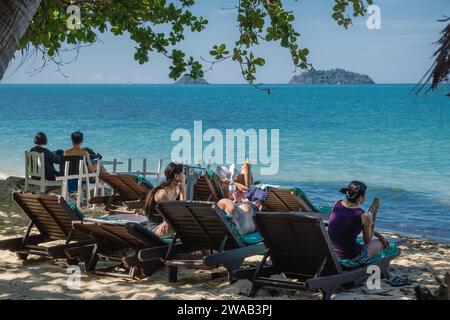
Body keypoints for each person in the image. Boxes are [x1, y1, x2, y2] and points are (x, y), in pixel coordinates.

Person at [327, 181, 389, 266]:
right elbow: (367, 241)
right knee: (380, 243)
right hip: (352, 256)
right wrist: (373, 216)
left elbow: (342, 227)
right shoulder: (364, 215)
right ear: (361, 197)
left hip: (333, 252)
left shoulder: (336, 203)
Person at [143, 162, 186, 237]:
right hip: (155, 228)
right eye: (183, 173)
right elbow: (177, 215)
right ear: (176, 176)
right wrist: (183, 191)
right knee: (177, 225)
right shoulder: (162, 194)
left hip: (165, 224)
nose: (184, 176)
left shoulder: (175, 190)